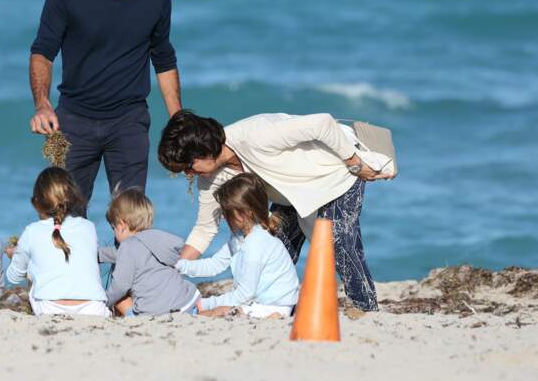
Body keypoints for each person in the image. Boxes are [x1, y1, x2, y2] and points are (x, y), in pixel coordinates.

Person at [158, 110, 395, 312]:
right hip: (291, 194)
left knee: (338, 241)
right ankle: (268, 307)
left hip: (336, 174)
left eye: (189, 166)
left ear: (204, 150)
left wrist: (356, 164)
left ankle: (366, 309)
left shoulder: (255, 136)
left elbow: (323, 123)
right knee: (269, 244)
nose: (189, 174)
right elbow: (204, 229)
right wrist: (173, 270)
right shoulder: (209, 178)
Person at [29, 0, 182, 208]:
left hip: (129, 121)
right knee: (65, 213)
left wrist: (177, 119)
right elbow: (43, 52)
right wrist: (42, 104)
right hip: (74, 119)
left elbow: (163, 57)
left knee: (131, 215)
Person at [175, 173, 299, 318]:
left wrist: (204, 303)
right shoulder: (239, 238)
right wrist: (179, 266)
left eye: (227, 213)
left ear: (246, 213)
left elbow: (244, 295)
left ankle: (273, 316)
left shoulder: (256, 244)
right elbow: (215, 264)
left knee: (214, 312)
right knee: (212, 310)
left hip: (274, 304)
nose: (223, 217)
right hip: (257, 301)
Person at [5, 167, 109, 317]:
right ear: (73, 198)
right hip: (93, 307)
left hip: (49, 308)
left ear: (36, 203)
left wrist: (15, 254)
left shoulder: (32, 231)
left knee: (34, 269)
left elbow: (13, 277)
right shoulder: (88, 227)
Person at [97, 187, 200, 317]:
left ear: (122, 225)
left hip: (156, 313)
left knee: (120, 301)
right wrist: (98, 254)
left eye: (114, 228)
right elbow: (123, 254)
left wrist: (104, 301)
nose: (114, 232)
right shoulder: (159, 238)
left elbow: (120, 286)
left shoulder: (128, 246)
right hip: (187, 303)